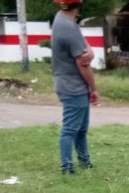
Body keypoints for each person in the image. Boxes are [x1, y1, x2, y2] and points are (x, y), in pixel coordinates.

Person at [51, 0, 100, 175]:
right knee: (70, 129)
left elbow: (80, 43)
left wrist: (90, 50)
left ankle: (85, 162)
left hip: (72, 85)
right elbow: (83, 63)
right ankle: (66, 168)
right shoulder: (69, 27)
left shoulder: (61, 19)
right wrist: (93, 88)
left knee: (81, 129)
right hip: (73, 86)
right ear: (79, 5)